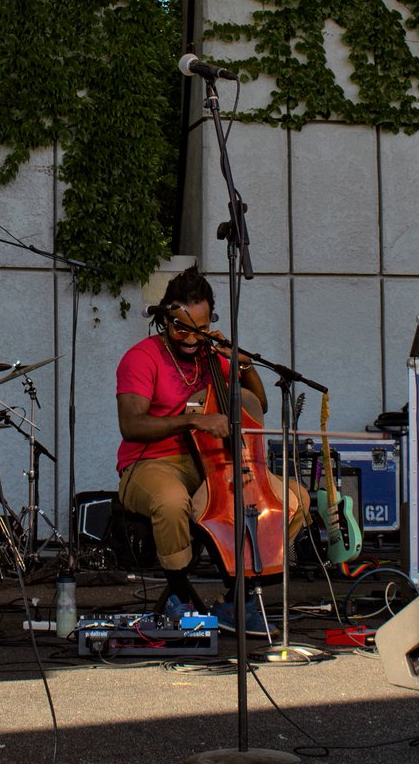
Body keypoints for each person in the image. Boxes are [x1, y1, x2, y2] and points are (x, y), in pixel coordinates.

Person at [115, 265, 309, 636]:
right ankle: (179, 597)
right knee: (172, 503)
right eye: (182, 328)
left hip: (212, 462)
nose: (191, 339)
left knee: (293, 500)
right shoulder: (141, 358)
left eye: (200, 329)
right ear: (164, 319)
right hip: (152, 462)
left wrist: (242, 362)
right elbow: (132, 424)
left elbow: (258, 405)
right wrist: (193, 421)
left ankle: (241, 598)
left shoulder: (210, 354)